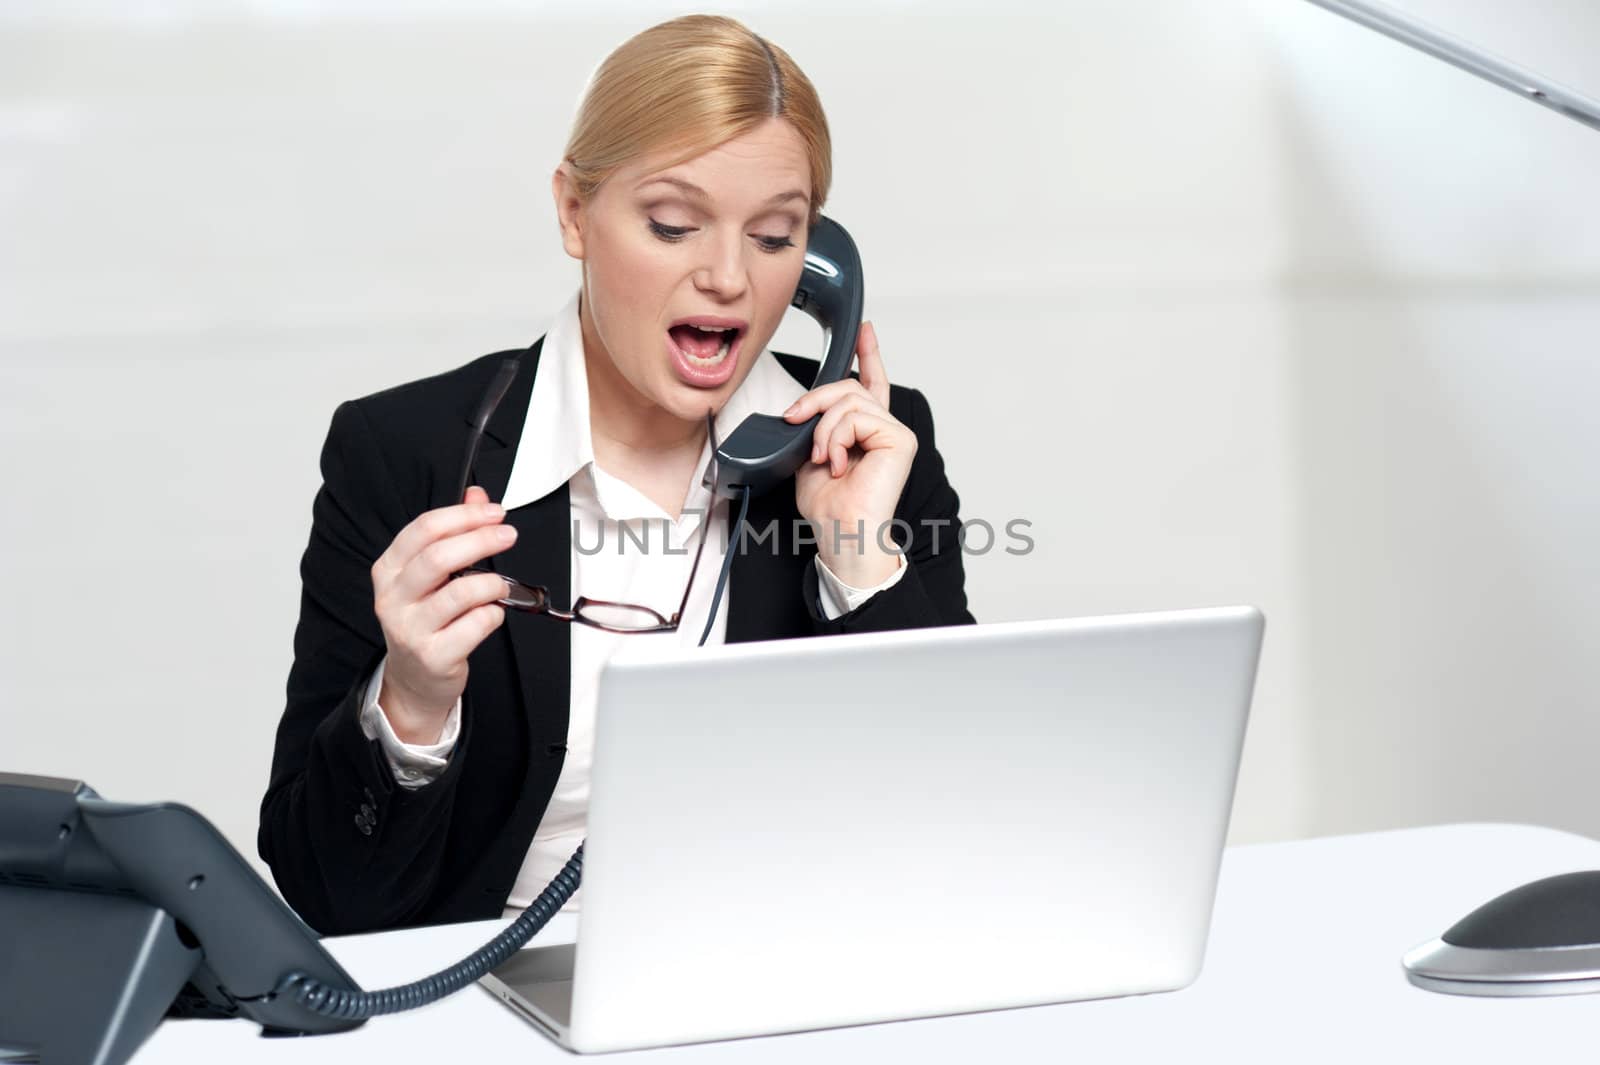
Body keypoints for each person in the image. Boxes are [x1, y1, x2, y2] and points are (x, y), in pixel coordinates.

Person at [258, 13, 974, 937]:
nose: (727, 277)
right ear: (573, 213)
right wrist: (411, 705)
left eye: (774, 237)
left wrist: (857, 559)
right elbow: (329, 896)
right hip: (502, 993)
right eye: (674, 224)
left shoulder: (876, 445)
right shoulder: (407, 451)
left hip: (798, 964)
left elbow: (958, 822)